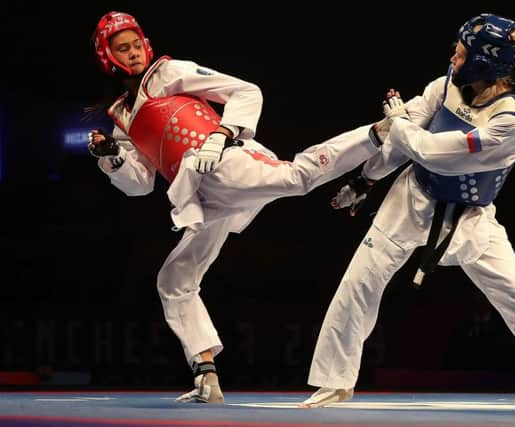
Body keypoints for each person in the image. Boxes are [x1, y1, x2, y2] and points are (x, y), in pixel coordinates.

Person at [300, 13, 515, 411]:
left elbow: (432, 152)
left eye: (461, 54)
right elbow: (401, 138)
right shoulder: (443, 84)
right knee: (360, 281)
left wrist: (398, 123)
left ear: (483, 62)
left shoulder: (508, 123)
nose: (453, 58)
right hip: (413, 197)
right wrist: (367, 180)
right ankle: (334, 382)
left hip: (471, 218)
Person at [87, 11, 382, 404]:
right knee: (174, 280)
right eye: (122, 48)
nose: (133, 52)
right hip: (199, 193)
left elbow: (246, 91)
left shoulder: (168, 72)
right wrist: (112, 159)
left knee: (297, 178)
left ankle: (375, 134)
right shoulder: (121, 118)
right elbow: (139, 185)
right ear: (108, 58)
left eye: (136, 43)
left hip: (223, 163)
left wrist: (221, 134)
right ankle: (206, 374)